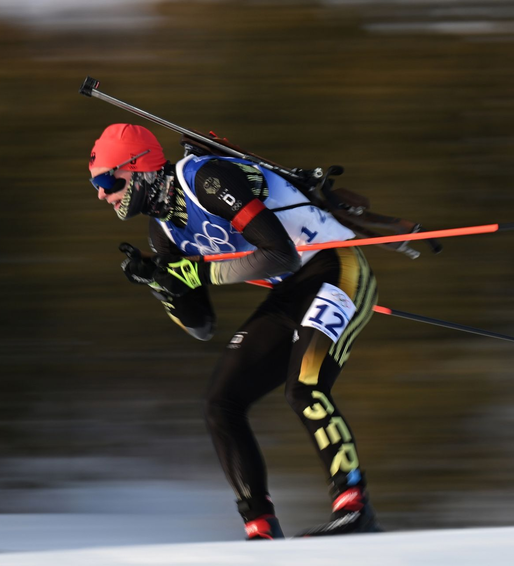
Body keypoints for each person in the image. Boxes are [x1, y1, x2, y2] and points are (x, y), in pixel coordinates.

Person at [88, 123, 381, 539]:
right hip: (291, 292)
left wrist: (197, 271)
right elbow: (201, 325)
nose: (102, 193)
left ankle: (354, 506)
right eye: (95, 184)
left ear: (139, 169)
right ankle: (260, 528)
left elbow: (277, 253)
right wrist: (163, 286)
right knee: (220, 402)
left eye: (106, 180)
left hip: (337, 268)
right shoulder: (163, 232)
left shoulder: (204, 179)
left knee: (304, 386)